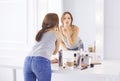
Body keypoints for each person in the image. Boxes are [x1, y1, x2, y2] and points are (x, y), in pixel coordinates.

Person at [24, 13, 61, 81]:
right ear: (56, 23)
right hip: (41, 62)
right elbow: (55, 52)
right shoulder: (57, 33)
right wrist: (45, 61)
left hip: (28, 61)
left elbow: (39, 51)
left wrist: (48, 61)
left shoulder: (39, 32)